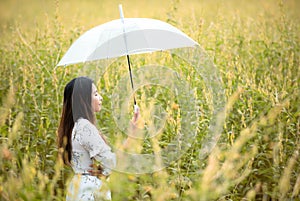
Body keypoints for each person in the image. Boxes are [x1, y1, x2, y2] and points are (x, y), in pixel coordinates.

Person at [57, 76, 139, 201]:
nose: (100, 98)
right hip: (89, 191)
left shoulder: (76, 125)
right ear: (83, 99)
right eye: (95, 94)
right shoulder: (85, 127)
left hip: (79, 188)